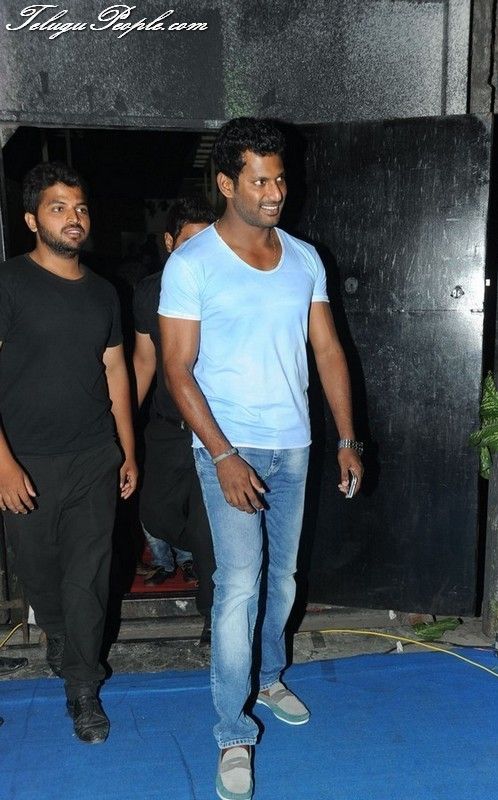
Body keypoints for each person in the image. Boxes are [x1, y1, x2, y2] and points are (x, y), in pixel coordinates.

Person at [159, 118, 364, 800]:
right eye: (259, 181)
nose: (275, 192)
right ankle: (231, 732)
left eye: (279, 179)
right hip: (230, 447)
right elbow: (177, 370)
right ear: (227, 184)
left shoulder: (305, 258)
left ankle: (269, 678)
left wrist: (346, 438)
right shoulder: (192, 264)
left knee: (283, 580)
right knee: (239, 588)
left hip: (294, 445)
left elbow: (327, 350)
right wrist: (222, 454)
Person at [0, 162, 138, 745]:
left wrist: (127, 450)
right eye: (58, 208)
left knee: (88, 578)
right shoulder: (8, 283)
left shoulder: (104, 293)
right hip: (25, 460)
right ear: (32, 220)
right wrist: (3, 463)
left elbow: (116, 371)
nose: (73, 218)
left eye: (79, 208)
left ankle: (83, 686)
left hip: (92, 457)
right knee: (39, 573)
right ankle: (57, 631)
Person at [133, 197, 217, 644]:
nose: (199, 253)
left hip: (215, 427)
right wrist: (119, 425)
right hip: (166, 427)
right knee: (156, 512)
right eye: (189, 242)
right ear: (169, 242)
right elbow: (143, 362)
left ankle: (214, 614)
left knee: (208, 528)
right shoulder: (150, 292)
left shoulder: (225, 287)